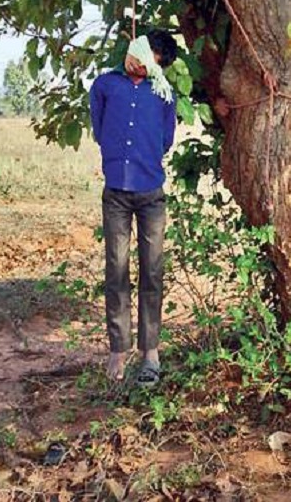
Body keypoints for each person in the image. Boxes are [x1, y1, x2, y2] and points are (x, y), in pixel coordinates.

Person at [89, 30, 178, 385]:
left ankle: (151, 353)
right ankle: (118, 350)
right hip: (116, 194)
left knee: (152, 271)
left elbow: (166, 139)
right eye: (137, 57)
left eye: (147, 66)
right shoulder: (105, 85)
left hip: (150, 194)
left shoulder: (163, 95)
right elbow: (99, 128)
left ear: (157, 69)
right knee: (117, 269)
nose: (137, 66)